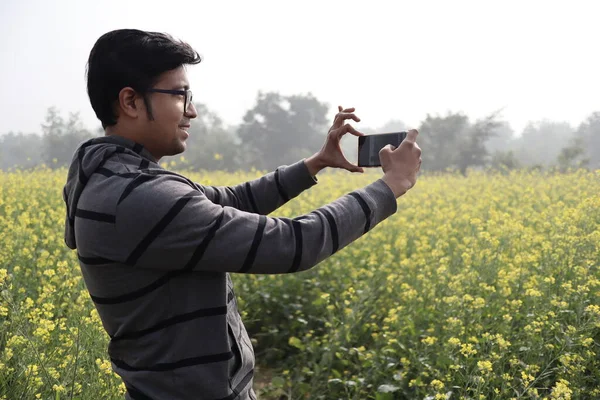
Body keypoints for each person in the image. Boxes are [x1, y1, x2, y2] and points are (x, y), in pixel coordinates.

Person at [62, 29, 422, 400]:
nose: (192, 110)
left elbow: (230, 200)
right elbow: (293, 244)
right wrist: (391, 185)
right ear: (131, 102)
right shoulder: (137, 197)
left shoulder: (115, 179)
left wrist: (315, 163)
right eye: (180, 94)